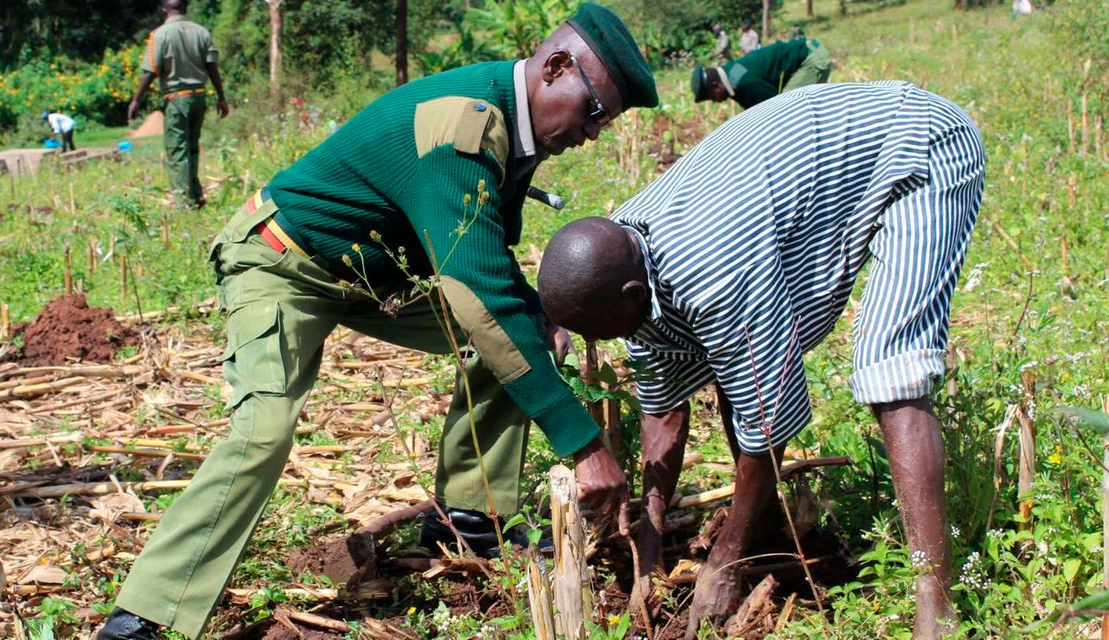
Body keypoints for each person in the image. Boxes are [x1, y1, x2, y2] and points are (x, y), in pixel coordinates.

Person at [96, 4, 658, 639]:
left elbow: (487, 258)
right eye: (593, 113)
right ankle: (143, 615)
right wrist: (583, 446)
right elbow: (476, 294)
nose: (592, 133)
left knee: (526, 337)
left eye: (604, 124)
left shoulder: (516, 121)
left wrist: (538, 320)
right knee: (263, 431)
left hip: (376, 280)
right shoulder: (463, 124)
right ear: (555, 68)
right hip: (283, 263)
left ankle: (468, 519)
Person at [537, 81, 984, 639]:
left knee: (889, 369)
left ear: (632, 295)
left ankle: (934, 602)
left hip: (915, 144)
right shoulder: (622, 254)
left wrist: (724, 561)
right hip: (803, 162)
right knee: (729, 362)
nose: (602, 348)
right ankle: (764, 523)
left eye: (603, 334)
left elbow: (767, 419)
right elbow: (663, 407)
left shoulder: (711, 273)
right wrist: (648, 542)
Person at [128, 0, 228, 209]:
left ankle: (184, 201)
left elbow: (150, 72)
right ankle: (196, 193)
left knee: (177, 150)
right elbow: (213, 68)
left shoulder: (160, 35)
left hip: (177, 99)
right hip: (199, 97)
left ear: (164, 9)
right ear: (186, 8)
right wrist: (221, 97)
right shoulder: (201, 32)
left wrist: (136, 99)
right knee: (192, 147)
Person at [692, 37, 832, 109]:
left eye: (712, 97)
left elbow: (771, 110)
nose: (715, 102)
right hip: (808, 52)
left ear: (717, 86)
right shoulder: (732, 75)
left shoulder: (745, 82)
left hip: (811, 57)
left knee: (790, 107)